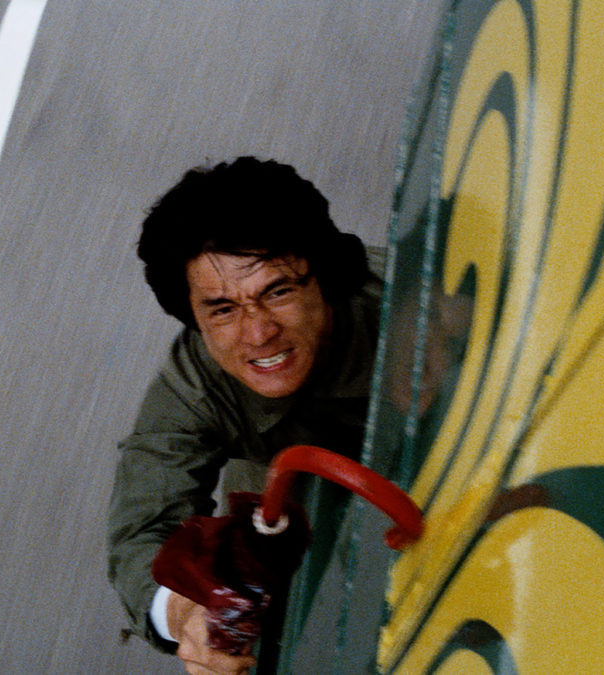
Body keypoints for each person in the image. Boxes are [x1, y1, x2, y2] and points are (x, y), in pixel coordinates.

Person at [107, 157, 381, 674]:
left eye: (278, 292)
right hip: (288, 486)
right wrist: (187, 612)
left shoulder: (411, 300)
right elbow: (141, 531)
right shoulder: (192, 388)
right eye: (223, 309)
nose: (258, 333)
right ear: (193, 317)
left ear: (323, 279)